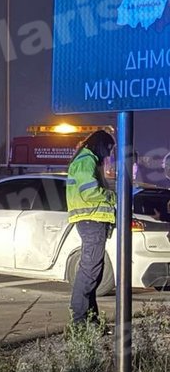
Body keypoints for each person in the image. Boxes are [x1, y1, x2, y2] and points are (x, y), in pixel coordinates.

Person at [66, 130, 116, 325]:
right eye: (109, 148)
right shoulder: (87, 160)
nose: (109, 154)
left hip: (91, 221)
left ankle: (90, 320)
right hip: (91, 221)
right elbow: (90, 192)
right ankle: (80, 321)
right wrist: (113, 197)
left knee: (93, 272)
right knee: (90, 272)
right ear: (100, 145)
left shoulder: (86, 159)